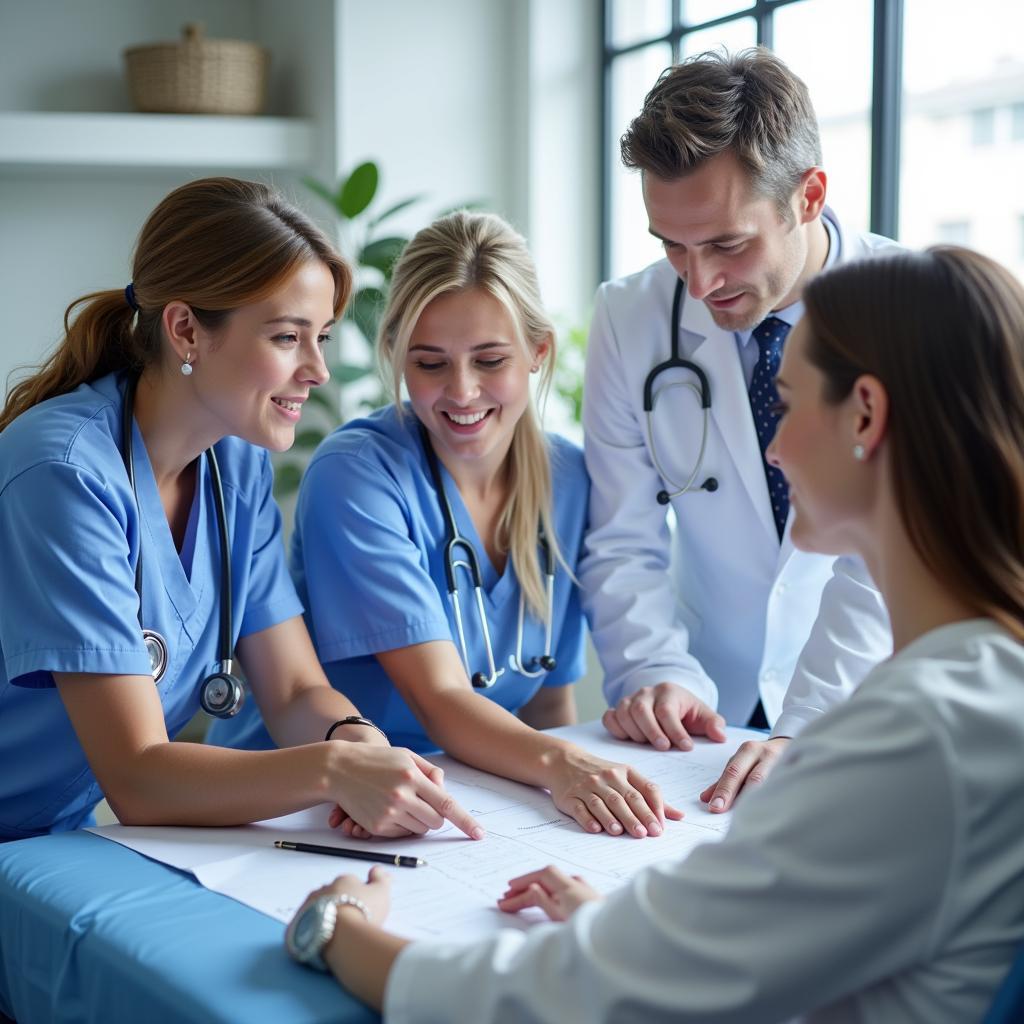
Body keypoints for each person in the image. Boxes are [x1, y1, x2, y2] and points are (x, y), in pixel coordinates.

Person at [286, 245, 1024, 1023]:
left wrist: (338, 929)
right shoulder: (984, 691)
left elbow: (550, 999)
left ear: (865, 417)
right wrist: (646, 936)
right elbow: (800, 946)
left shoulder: (911, 741)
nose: (771, 448)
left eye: (788, 401)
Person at [0, 177, 481, 843]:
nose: (316, 370)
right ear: (186, 329)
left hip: (56, 836)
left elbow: (291, 694)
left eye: (323, 338)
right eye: (288, 337)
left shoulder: (235, 464)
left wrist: (358, 743)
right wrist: (334, 771)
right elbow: (138, 779)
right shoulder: (65, 475)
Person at [211, 211, 676, 839]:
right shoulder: (358, 476)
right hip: (299, 808)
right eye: (430, 364)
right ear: (399, 357)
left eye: (489, 360)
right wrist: (566, 766)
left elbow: (544, 703)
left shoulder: (571, 480)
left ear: (539, 352)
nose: (461, 392)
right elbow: (440, 700)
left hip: (454, 794)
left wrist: (567, 798)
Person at [580, 48, 898, 808]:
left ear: (809, 195)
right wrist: (658, 671)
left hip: (867, 711)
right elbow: (624, 534)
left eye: (727, 243)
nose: (700, 282)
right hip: (706, 717)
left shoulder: (908, 312)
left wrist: (811, 724)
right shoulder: (632, 317)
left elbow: (890, 555)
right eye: (671, 246)